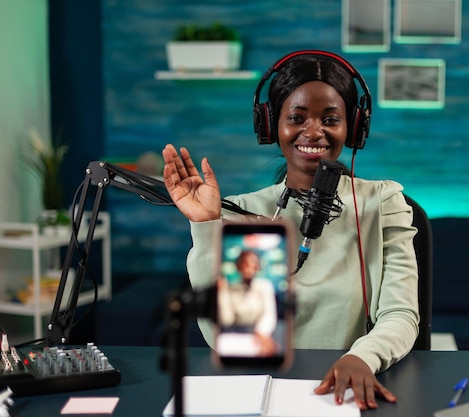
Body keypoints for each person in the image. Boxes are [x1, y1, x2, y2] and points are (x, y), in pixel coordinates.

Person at [162, 50, 419, 410]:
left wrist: (364, 357)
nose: (313, 132)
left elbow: (401, 314)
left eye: (331, 119)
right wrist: (207, 226)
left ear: (353, 128)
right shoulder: (244, 211)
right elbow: (227, 339)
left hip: (343, 386)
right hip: (260, 389)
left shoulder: (383, 202)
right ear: (272, 126)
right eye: (296, 117)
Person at [217, 250, 278, 357]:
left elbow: (269, 314)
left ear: (257, 266)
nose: (249, 267)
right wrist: (222, 294)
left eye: (253, 263)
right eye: (245, 263)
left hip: (260, 337)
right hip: (236, 338)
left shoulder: (264, 286)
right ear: (238, 266)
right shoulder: (231, 290)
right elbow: (228, 319)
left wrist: (261, 334)